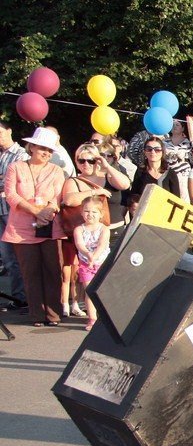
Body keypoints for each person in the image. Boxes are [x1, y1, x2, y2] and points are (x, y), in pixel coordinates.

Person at [2, 127, 66, 326]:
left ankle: (54, 314)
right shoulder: (16, 167)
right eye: (42, 148)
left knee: (53, 270)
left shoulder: (57, 170)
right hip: (21, 228)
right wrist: (35, 211)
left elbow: (57, 198)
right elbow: (11, 195)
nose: (46, 153)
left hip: (49, 226)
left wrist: (46, 212)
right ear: (31, 147)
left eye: (50, 150)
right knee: (30, 272)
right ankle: (37, 315)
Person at [61, 142, 129, 316]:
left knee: (116, 276)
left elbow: (125, 184)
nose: (86, 164)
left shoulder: (107, 176)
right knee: (91, 280)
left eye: (91, 160)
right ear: (76, 162)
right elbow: (69, 200)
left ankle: (115, 313)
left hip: (115, 231)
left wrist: (106, 166)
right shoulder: (74, 181)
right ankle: (94, 316)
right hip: (88, 238)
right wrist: (93, 192)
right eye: (82, 160)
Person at [0, 119, 29, 309]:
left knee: (19, 256)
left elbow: (16, 183)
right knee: (7, 258)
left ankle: (24, 298)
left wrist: (5, 181)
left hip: (14, 212)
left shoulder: (21, 154)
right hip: (0, 210)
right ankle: (17, 296)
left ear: (9, 130)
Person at [72, 196, 110, 331]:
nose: (90, 215)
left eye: (94, 212)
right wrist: (88, 255)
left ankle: (106, 317)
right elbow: (80, 244)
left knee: (103, 291)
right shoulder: (79, 229)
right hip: (86, 264)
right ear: (82, 213)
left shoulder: (104, 229)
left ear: (101, 214)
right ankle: (92, 318)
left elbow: (102, 245)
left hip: (102, 263)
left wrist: (94, 256)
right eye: (87, 211)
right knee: (90, 291)